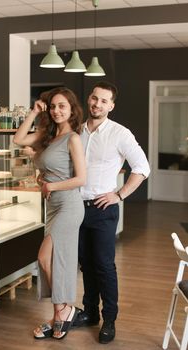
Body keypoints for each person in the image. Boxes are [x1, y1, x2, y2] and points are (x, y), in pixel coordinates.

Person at [73, 81, 150, 344]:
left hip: (103, 210)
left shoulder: (120, 134)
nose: (97, 104)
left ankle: (109, 320)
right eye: (94, 98)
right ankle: (90, 313)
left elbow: (142, 167)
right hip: (75, 208)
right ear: (89, 99)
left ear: (111, 106)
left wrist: (119, 194)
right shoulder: (75, 131)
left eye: (104, 101)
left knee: (104, 266)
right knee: (86, 265)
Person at [13, 87, 86, 340]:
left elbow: (81, 178)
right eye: (53, 106)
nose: (56, 110)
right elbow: (18, 139)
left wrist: (51, 185)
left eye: (62, 106)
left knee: (45, 258)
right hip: (53, 206)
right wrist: (34, 111)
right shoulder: (47, 135)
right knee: (56, 261)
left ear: (72, 109)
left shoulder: (73, 138)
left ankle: (65, 309)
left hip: (69, 205)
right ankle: (60, 313)